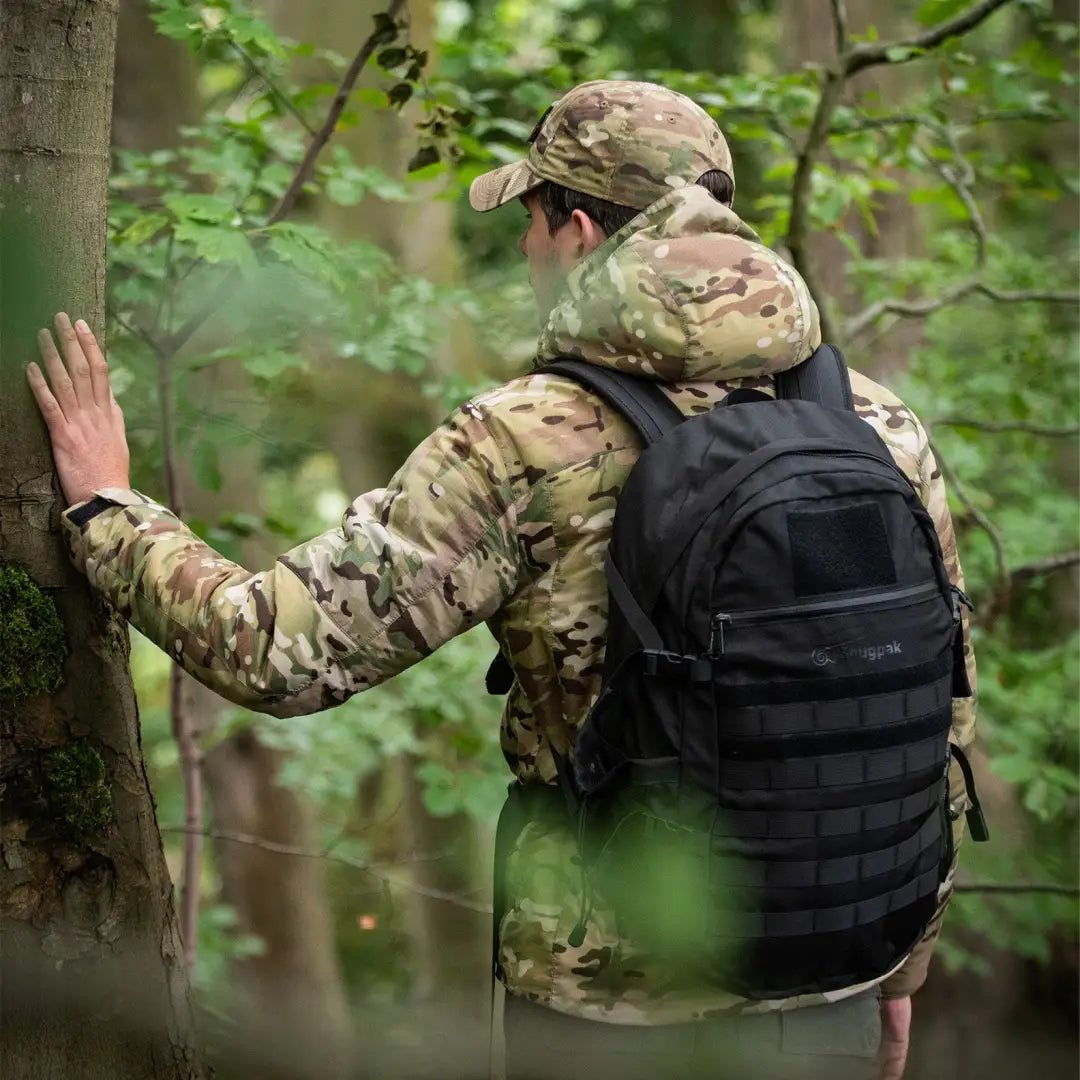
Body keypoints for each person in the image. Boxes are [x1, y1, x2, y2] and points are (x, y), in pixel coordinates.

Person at [27, 80, 975, 1080]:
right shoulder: (876, 423)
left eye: (529, 219)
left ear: (574, 228)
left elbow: (278, 651)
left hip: (605, 1010)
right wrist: (902, 966)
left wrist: (108, 510)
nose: (524, 250)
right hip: (832, 979)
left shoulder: (523, 440)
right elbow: (939, 702)